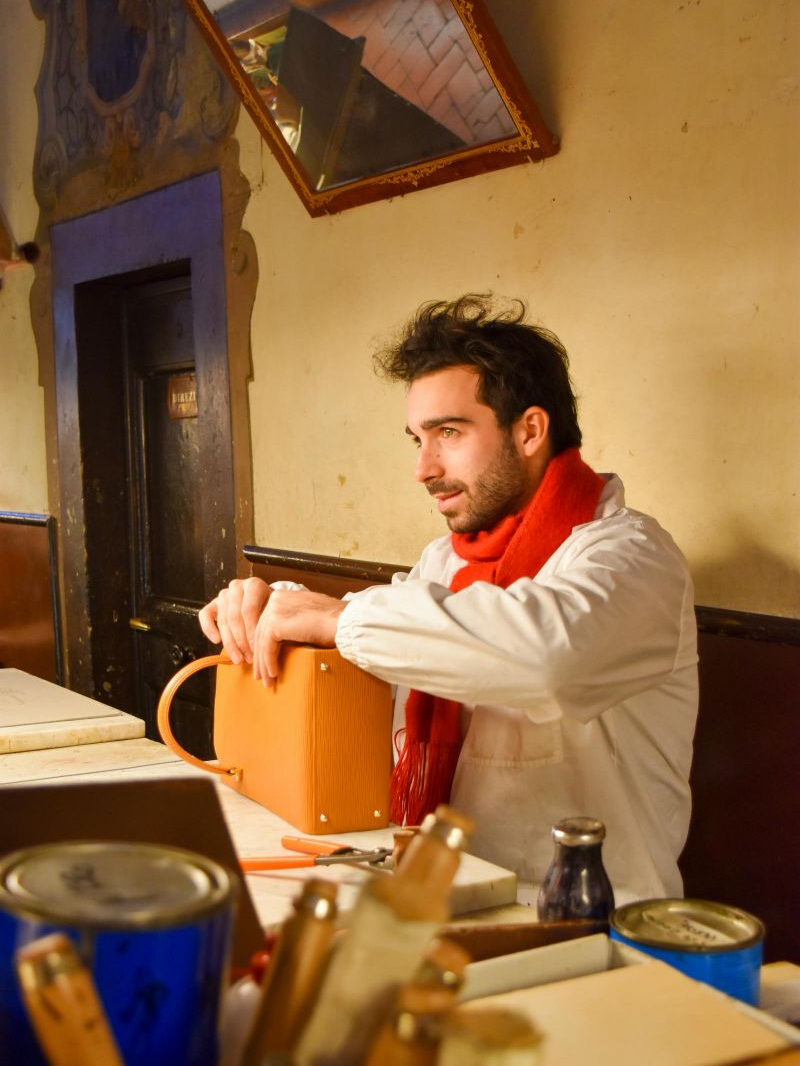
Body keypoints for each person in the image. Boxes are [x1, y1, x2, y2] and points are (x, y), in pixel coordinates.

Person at [199, 295, 698, 904]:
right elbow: (400, 641)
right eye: (417, 437)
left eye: (449, 433)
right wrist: (268, 602)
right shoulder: (450, 560)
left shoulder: (633, 556)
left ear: (530, 430)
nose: (423, 467)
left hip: (600, 917)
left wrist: (340, 617)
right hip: (451, 890)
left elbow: (546, 660)